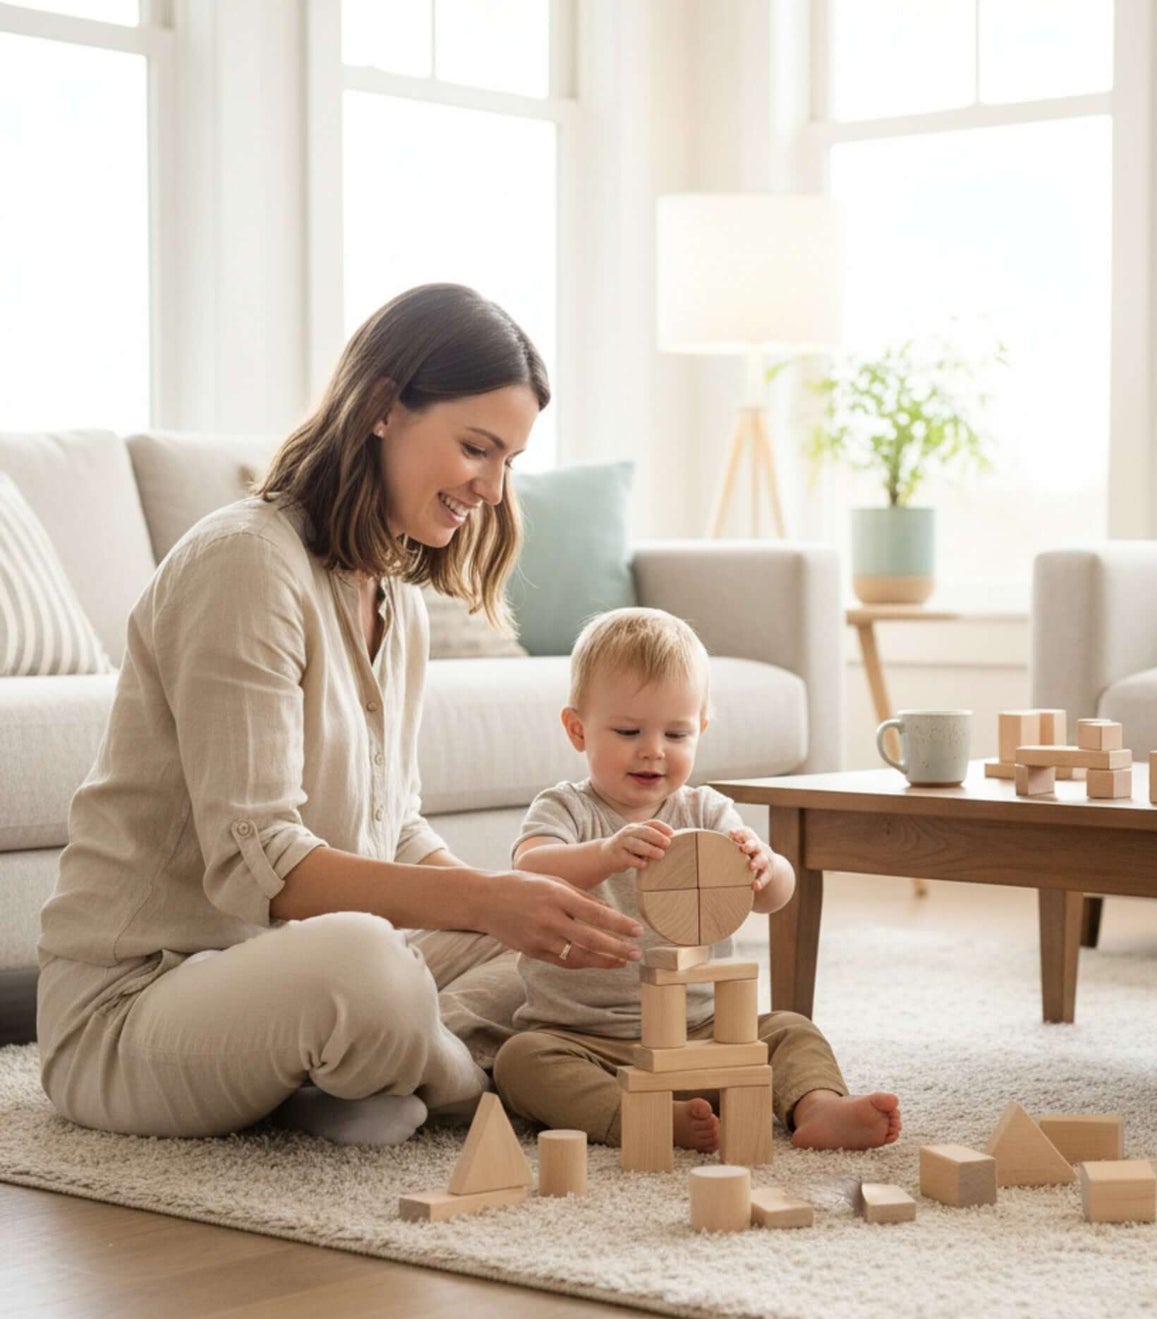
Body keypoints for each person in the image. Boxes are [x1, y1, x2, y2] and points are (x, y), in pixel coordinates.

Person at [36, 282, 643, 1147]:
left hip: (286, 967)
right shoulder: (244, 564)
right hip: (138, 1006)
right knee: (368, 965)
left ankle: (357, 1073)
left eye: (508, 460)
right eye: (478, 448)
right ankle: (463, 1073)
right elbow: (265, 873)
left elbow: (391, 830)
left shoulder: (390, 593)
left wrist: (527, 903)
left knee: (579, 949)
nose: (493, 488)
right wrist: (479, 899)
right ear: (385, 408)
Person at [492, 607, 902, 1153]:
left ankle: (817, 1107)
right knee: (519, 1063)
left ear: (701, 730)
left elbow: (776, 896)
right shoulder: (565, 809)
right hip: (587, 1040)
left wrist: (765, 868)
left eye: (677, 733)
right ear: (577, 730)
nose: (653, 749)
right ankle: (644, 1117)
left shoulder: (706, 811)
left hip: (706, 1034)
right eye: (628, 731)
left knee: (789, 1029)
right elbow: (530, 869)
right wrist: (607, 854)